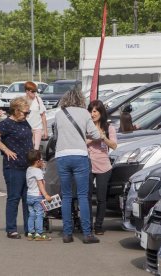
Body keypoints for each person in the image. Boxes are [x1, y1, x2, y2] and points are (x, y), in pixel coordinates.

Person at [54, 87, 102, 244]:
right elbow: (95, 134)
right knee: (82, 195)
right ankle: (87, 234)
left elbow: (56, 136)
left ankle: (67, 234)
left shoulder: (59, 114)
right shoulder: (84, 113)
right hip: (79, 155)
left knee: (66, 196)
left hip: (62, 155)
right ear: (80, 99)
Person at [0, 97, 33, 239]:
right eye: (25, 112)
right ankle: (11, 229)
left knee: (28, 199)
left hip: (28, 166)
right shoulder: (7, 124)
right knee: (14, 197)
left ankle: (29, 228)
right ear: (16, 110)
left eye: (28, 112)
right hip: (13, 167)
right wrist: (5, 149)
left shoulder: (24, 122)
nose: (27, 115)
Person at [87, 100, 117, 235]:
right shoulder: (86, 126)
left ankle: (98, 225)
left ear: (101, 112)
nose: (92, 114)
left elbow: (114, 145)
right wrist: (94, 137)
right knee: (86, 196)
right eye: (90, 111)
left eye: (95, 111)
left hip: (104, 166)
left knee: (101, 198)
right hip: (87, 164)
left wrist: (103, 137)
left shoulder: (109, 127)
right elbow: (82, 142)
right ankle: (87, 225)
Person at [26, 149, 52, 241]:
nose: (43, 161)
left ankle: (30, 233)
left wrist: (41, 168)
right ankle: (39, 233)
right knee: (39, 214)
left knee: (31, 214)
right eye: (41, 160)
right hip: (37, 196)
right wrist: (46, 195)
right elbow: (40, 184)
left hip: (29, 195)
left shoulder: (29, 169)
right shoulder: (38, 172)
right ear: (37, 161)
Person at [25, 81, 48, 150]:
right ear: (27, 91)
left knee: (36, 149)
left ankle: (36, 160)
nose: (34, 94)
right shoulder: (23, 100)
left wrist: (45, 131)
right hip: (27, 129)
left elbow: (43, 116)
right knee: (29, 149)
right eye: (32, 92)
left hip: (38, 128)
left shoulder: (38, 99)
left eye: (35, 92)